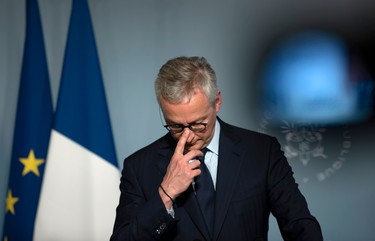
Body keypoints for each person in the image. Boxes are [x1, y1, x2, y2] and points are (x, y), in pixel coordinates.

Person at [111, 56, 323, 241]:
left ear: (217, 101)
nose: (188, 135)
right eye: (176, 126)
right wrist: (165, 194)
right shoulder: (138, 167)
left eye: (197, 124)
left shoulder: (262, 152)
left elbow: (299, 226)